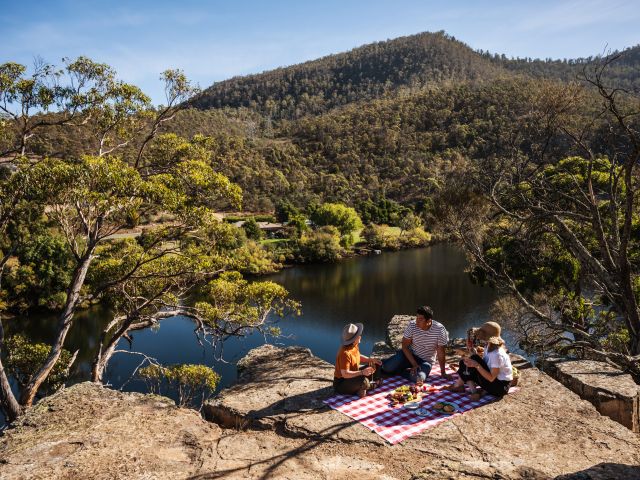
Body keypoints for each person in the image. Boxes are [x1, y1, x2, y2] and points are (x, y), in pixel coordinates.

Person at [381, 306, 450, 382]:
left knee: (418, 379)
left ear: (429, 320)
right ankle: (389, 364)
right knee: (386, 367)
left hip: (425, 362)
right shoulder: (412, 325)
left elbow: (441, 353)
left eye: (420, 319)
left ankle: (400, 371)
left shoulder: (439, 329)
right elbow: (404, 346)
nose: (417, 321)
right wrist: (414, 364)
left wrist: (443, 373)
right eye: (417, 317)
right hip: (408, 356)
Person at [447, 321, 513, 400]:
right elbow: (486, 365)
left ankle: (461, 387)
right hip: (494, 382)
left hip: (500, 388)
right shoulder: (489, 346)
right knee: (465, 362)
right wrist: (474, 354)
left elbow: (491, 377)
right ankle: (469, 389)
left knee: (471, 363)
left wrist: (476, 365)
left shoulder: (497, 354)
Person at [334, 323, 382, 397]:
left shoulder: (354, 345)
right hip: (342, 383)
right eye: (358, 335)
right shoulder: (344, 353)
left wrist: (371, 360)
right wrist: (362, 372)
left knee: (375, 365)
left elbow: (357, 356)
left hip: (353, 376)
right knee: (364, 381)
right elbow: (345, 374)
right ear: (354, 339)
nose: (360, 336)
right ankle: (372, 385)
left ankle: (364, 387)